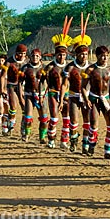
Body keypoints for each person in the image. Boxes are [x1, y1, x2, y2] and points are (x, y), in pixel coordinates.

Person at [42, 16, 73, 149]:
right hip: (53, 93)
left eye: (64, 55)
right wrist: (41, 93)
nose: (61, 57)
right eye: (59, 55)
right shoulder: (49, 67)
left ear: (67, 55)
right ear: (55, 55)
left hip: (66, 94)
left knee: (67, 119)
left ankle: (64, 141)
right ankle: (51, 140)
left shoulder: (71, 67)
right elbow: (42, 82)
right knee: (54, 117)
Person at [61, 28, 92, 154]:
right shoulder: (70, 67)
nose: (83, 56)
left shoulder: (91, 67)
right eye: (81, 54)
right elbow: (64, 84)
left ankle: (85, 144)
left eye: (85, 54)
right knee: (73, 121)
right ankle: (73, 141)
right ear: (76, 54)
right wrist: (62, 99)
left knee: (87, 121)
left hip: (87, 97)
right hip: (73, 96)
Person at [81, 45, 110, 158]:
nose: (104, 58)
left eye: (106, 56)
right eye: (102, 56)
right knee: (94, 123)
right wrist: (86, 100)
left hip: (106, 98)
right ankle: (91, 144)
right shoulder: (91, 70)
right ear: (97, 56)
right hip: (93, 98)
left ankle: (108, 151)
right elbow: (83, 87)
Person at [20, 48, 48, 143]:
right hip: (29, 94)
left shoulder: (44, 68)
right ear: (30, 57)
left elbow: (48, 82)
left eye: (37, 56)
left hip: (42, 95)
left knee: (44, 118)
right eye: (33, 56)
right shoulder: (25, 68)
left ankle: (42, 137)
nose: (35, 58)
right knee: (28, 117)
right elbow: (20, 83)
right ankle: (26, 135)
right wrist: (21, 96)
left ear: (40, 57)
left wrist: (43, 95)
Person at [1, 44, 28, 136]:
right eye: (20, 53)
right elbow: (2, 76)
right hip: (11, 85)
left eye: (24, 53)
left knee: (24, 106)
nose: (22, 55)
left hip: (22, 86)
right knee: (13, 107)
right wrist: (2, 89)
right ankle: (10, 124)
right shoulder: (8, 62)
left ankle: (23, 126)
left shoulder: (27, 62)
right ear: (16, 53)